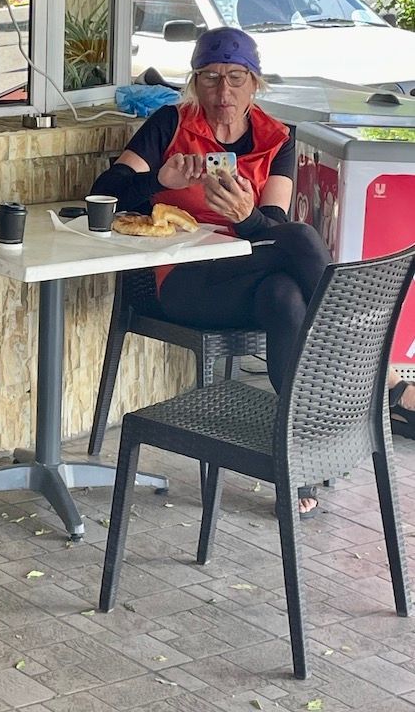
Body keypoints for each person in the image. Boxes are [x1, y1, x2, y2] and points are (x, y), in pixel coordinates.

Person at [91, 26, 331, 516]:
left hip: (246, 274)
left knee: (285, 296)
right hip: (181, 282)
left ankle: (295, 465)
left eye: (236, 78)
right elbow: (103, 193)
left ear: (255, 82)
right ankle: (363, 363)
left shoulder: (277, 138)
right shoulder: (170, 123)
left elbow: (273, 231)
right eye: (211, 78)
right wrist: (158, 179)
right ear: (195, 82)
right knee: (305, 241)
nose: (224, 91)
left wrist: (246, 218)